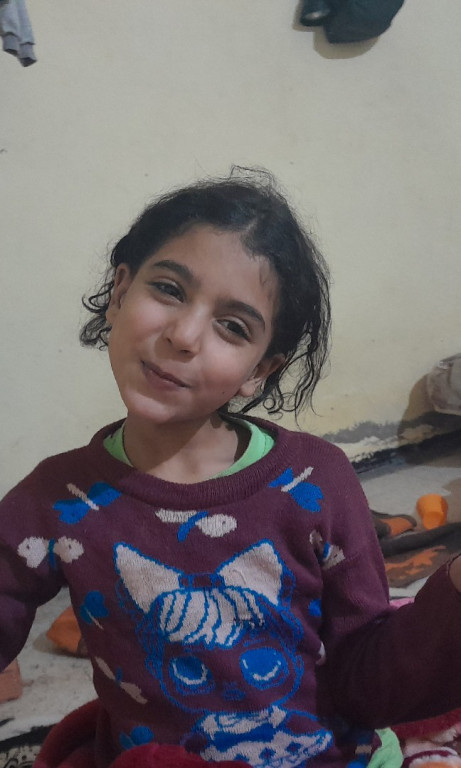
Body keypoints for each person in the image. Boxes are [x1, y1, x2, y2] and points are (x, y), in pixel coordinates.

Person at [1, 169, 461, 768]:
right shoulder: (58, 500)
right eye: (169, 289)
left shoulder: (315, 483)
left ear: (258, 371)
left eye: (233, 327)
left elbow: (368, 680)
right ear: (120, 291)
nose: (184, 335)